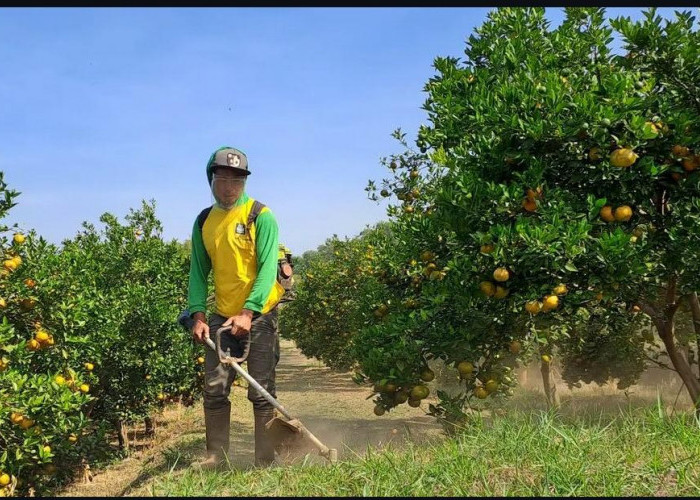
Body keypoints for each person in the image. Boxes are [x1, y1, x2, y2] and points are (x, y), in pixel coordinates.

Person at [188, 146, 286, 468]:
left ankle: (264, 462)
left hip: (257, 316)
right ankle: (216, 457)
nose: (230, 185)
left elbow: (268, 269)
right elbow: (199, 274)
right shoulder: (204, 221)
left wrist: (248, 312)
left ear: (244, 182)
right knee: (214, 388)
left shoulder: (261, 216)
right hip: (221, 317)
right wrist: (198, 316)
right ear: (211, 179)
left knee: (261, 391)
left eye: (237, 179)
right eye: (223, 178)